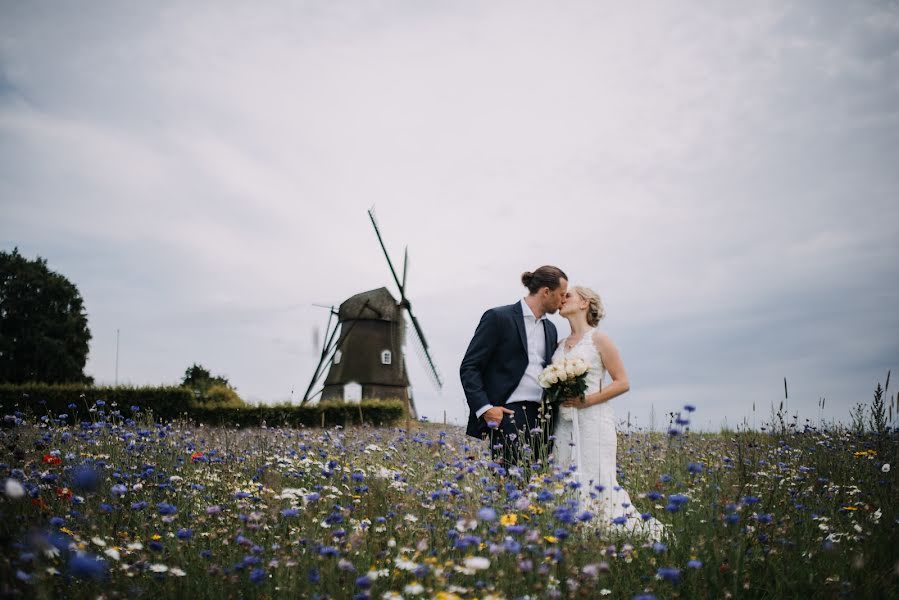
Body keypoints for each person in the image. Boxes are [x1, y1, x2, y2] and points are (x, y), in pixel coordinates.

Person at [553, 285, 664, 540]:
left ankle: (603, 532)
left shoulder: (599, 339)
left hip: (593, 420)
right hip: (564, 424)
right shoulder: (559, 345)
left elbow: (622, 382)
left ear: (584, 303)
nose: (562, 299)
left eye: (568, 295)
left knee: (595, 475)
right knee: (563, 474)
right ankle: (571, 533)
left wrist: (586, 400)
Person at [460, 266, 568, 470]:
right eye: (561, 295)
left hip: (545, 417)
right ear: (546, 291)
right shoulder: (498, 317)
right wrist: (485, 409)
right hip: (509, 414)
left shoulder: (550, 328)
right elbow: (470, 367)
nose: (563, 300)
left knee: (538, 486)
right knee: (510, 484)